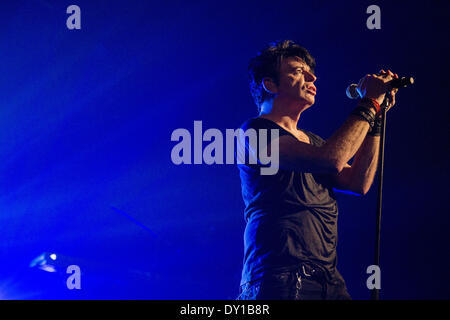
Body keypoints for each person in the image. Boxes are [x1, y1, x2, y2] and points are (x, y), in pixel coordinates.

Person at [236, 40, 398, 300]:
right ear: (270, 84)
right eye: (298, 71)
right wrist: (368, 103)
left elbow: (358, 182)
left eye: (310, 72)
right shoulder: (254, 132)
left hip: (328, 279)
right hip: (279, 277)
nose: (312, 76)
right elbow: (332, 159)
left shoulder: (314, 142)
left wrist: (376, 118)